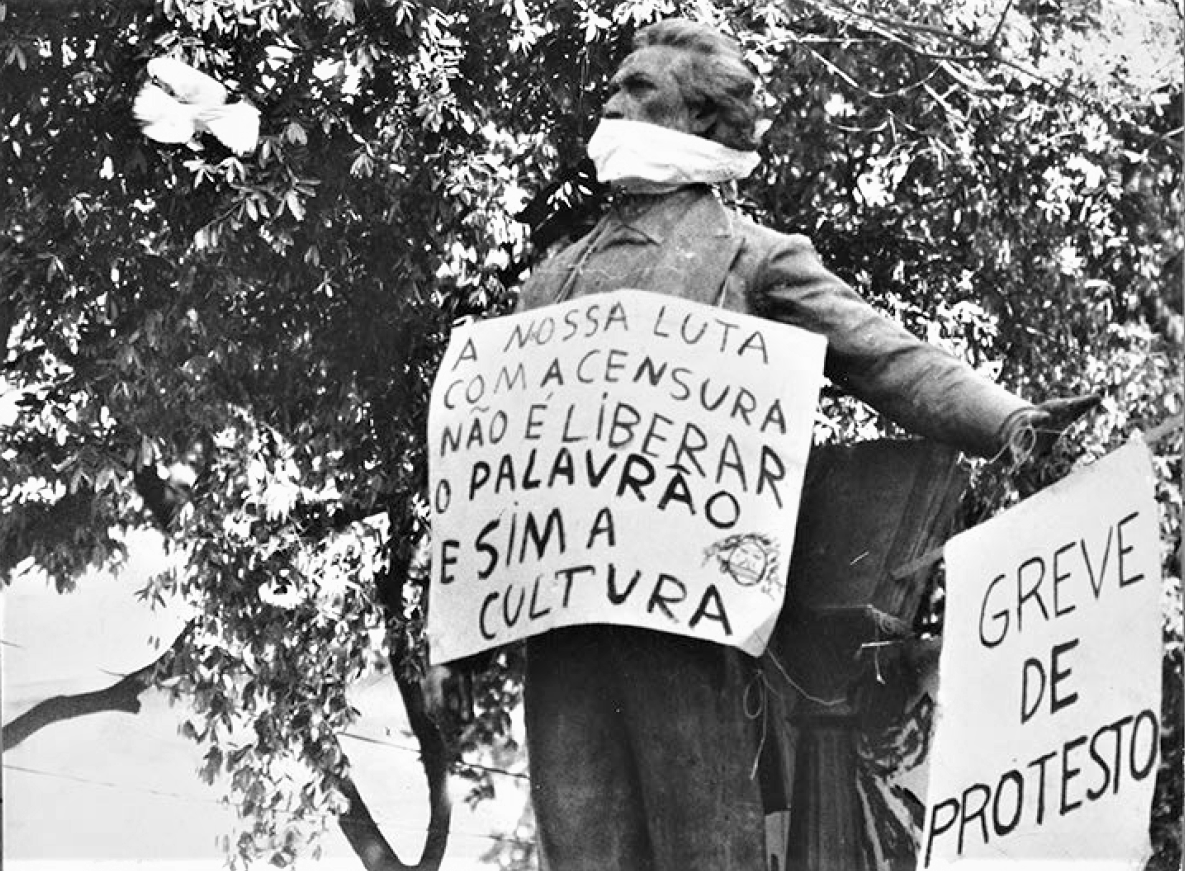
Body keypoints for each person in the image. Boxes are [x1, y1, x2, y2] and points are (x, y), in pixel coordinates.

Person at [499, 18, 1095, 871]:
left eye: (639, 88)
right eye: (616, 85)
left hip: (686, 617)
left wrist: (1006, 421)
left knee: (704, 847)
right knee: (579, 850)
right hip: (561, 623)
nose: (612, 102)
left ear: (701, 119)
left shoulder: (753, 258)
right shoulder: (550, 277)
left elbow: (884, 355)